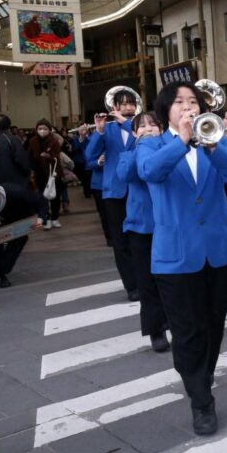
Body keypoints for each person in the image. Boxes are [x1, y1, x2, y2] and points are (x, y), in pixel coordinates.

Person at [137, 82, 227, 436]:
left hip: (218, 250)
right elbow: (150, 172)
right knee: (187, 331)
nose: (188, 107)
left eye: (193, 102)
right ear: (165, 109)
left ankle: (203, 375)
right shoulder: (152, 142)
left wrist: (213, 146)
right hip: (176, 256)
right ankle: (201, 401)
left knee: (213, 323)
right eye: (179, 102)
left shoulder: (214, 138)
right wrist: (182, 140)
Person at [117, 112, 170, 352]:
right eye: (142, 126)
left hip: (169, 224)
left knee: (171, 280)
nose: (148, 129)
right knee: (147, 281)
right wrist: (142, 145)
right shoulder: (129, 154)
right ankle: (156, 330)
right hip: (141, 227)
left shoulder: (171, 148)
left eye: (153, 124)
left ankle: (174, 320)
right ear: (134, 132)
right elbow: (125, 174)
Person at [86, 91, 140, 301]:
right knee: (120, 241)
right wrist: (98, 132)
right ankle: (131, 286)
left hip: (138, 189)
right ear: (114, 107)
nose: (127, 108)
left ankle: (145, 279)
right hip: (114, 192)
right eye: (123, 104)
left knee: (140, 237)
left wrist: (128, 124)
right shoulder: (106, 129)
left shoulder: (141, 126)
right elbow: (89, 156)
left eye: (131, 104)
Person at [0, 177, 43, 299]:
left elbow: (40, 201)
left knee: (7, 265)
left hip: (16, 227)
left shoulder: (16, 193)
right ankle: (0, 273)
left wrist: (40, 218)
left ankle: (1, 269)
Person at [26, 119, 65, 229]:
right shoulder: (33, 141)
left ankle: (55, 218)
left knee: (55, 196)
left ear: (49, 130)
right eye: (40, 129)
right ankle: (46, 218)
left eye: (45, 129)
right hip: (40, 174)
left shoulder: (54, 140)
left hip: (54, 173)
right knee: (43, 197)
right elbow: (29, 156)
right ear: (36, 129)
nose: (42, 131)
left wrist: (49, 156)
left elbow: (57, 155)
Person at [0, 115, 31, 189]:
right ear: (9, 126)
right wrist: (28, 173)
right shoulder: (12, 140)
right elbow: (21, 160)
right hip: (14, 182)